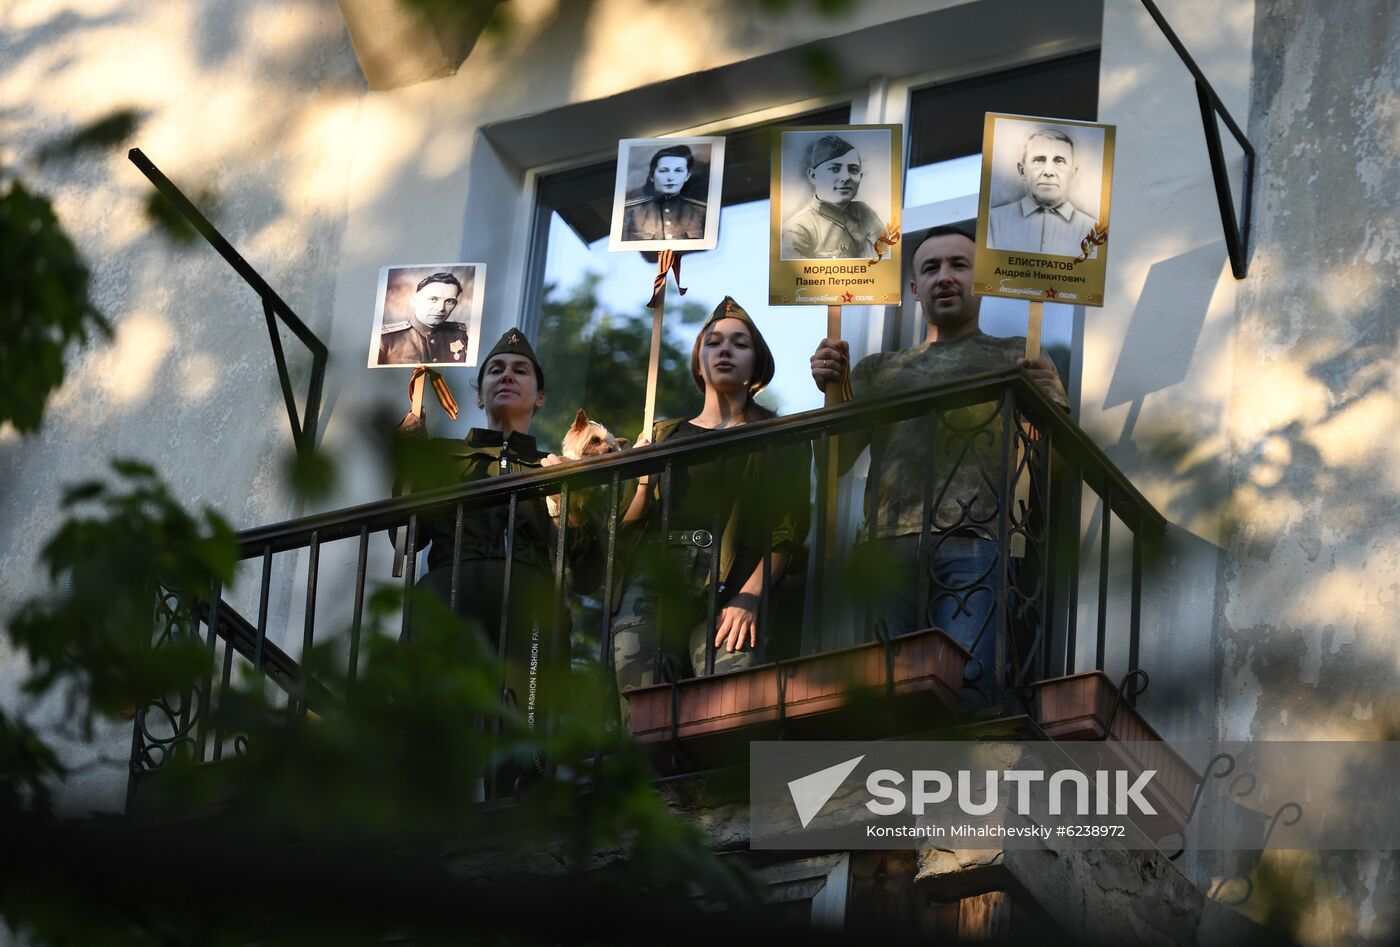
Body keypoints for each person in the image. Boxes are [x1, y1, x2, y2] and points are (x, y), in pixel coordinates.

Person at [808, 225, 1068, 707]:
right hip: (883, 548)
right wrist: (832, 394)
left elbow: (1051, 461)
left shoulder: (1017, 354)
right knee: (886, 697)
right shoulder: (877, 369)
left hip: (973, 543)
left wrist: (1047, 400)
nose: (944, 277)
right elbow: (834, 464)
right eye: (930, 268)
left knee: (964, 688)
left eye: (958, 265)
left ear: (983, 278)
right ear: (913, 289)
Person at [395, 328, 599, 786]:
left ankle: (522, 815)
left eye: (520, 370)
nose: (507, 375)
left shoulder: (555, 465)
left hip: (529, 604)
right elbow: (405, 542)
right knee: (435, 726)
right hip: (448, 596)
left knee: (526, 728)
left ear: (540, 396)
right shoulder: (445, 459)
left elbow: (588, 576)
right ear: (480, 392)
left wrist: (575, 503)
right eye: (496, 370)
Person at [611, 298, 809, 720]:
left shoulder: (780, 437)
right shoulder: (663, 433)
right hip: (655, 578)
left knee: (727, 705)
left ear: (756, 364)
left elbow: (786, 533)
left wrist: (750, 597)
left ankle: (715, 788)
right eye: (713, 342)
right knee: (643, 706)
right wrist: (644, 479)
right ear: (699, 362)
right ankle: (656, 789)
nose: (725, 350)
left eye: (739, 344)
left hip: (730, 575)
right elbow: (626, 531)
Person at [986, 127, 1098, 258]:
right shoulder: (992, 221)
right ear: (1022, 171)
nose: (1048, 171)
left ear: (1073, 173)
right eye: (1039, 160)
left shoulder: (1094, 231)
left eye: (1059, 161)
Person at [781, 134, 886, 260]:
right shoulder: (797, 229)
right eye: (834, 169)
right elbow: (797, 278)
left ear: (861, 177)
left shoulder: (864, 213)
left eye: (853, 169)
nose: (846, 177)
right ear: (813, 176)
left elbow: (888, 257)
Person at [378, 272, 473, 365]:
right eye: (433, 299)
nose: (441, 308)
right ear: (414, 301)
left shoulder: (459, 335)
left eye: (450, 301)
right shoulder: (386, 339)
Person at [621, 144, 708, 242]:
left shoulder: (702, 211)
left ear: (687, 176)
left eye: (678, 171)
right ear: (652, 176)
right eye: (663, 171)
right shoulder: (629, 211)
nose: (671, 178)